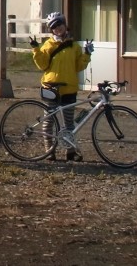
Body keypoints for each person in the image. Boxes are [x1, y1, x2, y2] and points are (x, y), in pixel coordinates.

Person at [30, 11, 93, 161]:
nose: (57, 28)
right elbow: (42, 64)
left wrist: (87, 54)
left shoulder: (74, 46)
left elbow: (78, 66)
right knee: (49, 121)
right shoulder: (48, 45)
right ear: (51, 29)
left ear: (65, 25)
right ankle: (49, 151)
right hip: (51, 87)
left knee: (69, 124)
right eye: (53, 26)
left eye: (59, 24)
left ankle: (70, 151)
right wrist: (36, 49)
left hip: (69, 88)